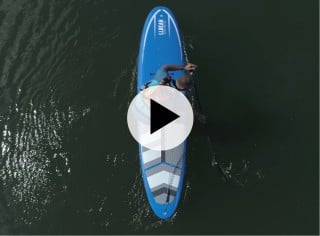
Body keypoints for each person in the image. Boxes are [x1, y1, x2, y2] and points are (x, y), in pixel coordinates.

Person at [140, 63, 206, 123]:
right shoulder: (177, 99)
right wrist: (199, 116)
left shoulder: (162, 76)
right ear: (183, 89)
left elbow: (166, 67)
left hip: (143, 95)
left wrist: (184, 68)